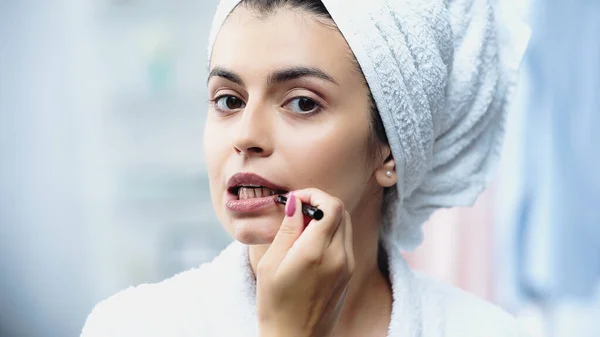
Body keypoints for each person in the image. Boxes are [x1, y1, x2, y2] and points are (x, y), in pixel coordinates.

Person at [81, 0, 530, 336]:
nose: (245, 135)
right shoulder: (129, 326)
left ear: (391, 149)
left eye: (301, 102)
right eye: (228, 100)